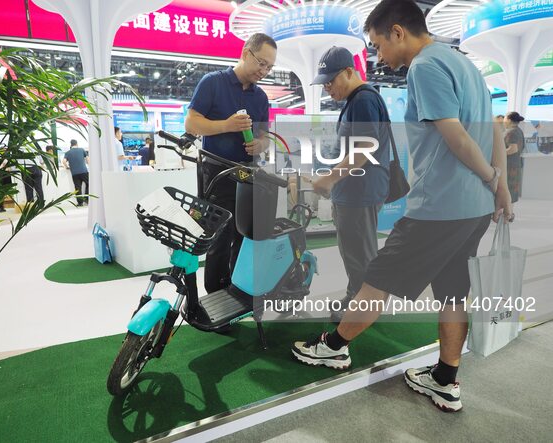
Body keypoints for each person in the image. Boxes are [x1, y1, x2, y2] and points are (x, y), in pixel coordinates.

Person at [291, 0, 513, 413]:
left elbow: (457, 137)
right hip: (473, 209)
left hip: (439, 205)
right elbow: (493, 131)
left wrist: (489, 177)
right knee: (452, 291)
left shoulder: (426, 67)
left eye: (377, 45)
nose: (378, 56)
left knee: (377, 279)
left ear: (397, 32)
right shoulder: (465, 65)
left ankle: (334, 347)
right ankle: (445, 379)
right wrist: (499, 186)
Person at [185, 33, 277, 293]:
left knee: (244, 235)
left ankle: (237, 289)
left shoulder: (260, 98)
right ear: (246, 53)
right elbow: (191, 124)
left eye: (270, 67)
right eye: (261, 63)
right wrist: (226, 125)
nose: (265, 71)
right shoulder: (213, 83)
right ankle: (215, 294)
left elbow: (265, 137)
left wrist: (261, 144)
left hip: (248, 175)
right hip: (216, 173)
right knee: (218, 237)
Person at [309, 46, 391, 322]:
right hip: (354, 192)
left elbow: (365, 147)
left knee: (361, 255)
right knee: (354, 253)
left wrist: (329, 179)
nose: (327, 88)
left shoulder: (364, 100)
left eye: (330, 81)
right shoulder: (355, 102)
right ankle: (357, 295)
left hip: (360, 193)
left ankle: (365, 307)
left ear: (348, 72)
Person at [503, 112, 525, 203]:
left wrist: (498, 154)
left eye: (504, 118)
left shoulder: (511, 132)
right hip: (515, 165)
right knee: (512, 192)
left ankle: (507, 215)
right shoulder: (518, 130)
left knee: (508, 191)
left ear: (509, 119)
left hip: (509, 166)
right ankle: (509, 214)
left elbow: (513, 149)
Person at [62, 139, 90, 206]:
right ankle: (86, 199)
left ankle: (80, 203)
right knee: (89, 184)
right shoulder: (82, 150)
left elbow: (63, 161)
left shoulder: (68, 152)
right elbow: (88, 160)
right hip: (84, 171)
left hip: (74, 173)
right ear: (77, 144)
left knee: (77, 188)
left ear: (71, 145)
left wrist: (67, 167)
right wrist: (89, 165)